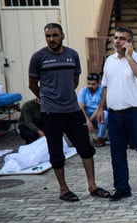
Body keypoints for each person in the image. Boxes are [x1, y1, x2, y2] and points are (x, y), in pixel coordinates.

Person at [28, 22, 110, 201]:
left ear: (62, 36)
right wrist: (44, 97)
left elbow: (74, 81)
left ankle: (92, 185)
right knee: (56, 153)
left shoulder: (72, 55)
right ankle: (63, 190)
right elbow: (32, 84)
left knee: (86, 149)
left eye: (55, 35)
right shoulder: (38, 58)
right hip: (51, 113)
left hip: (72, 111)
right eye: (48, 36)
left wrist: (65, 95)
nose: (52, 39)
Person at [97, 26, 137, 200]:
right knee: (116, 153)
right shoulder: (109, 60)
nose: (117, 41)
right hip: (115, 115)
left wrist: (129, 57)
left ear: (130, 42)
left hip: (136, 113)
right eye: (116, 38)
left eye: (122, 38)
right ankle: (122, 187)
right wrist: (101, 108)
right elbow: (105, 86)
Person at [77, 73, 108, 147]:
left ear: (98, 83)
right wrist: (87, 121)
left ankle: (99, 138)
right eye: (89, 83)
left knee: (105, 114)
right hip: (87, 116)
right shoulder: (83, 91)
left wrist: (89, 121)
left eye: (93, 84)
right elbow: (81, 107)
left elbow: (100, 107)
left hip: (98, 115)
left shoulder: (102, 90)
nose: (90, 86)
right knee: (77, 114)